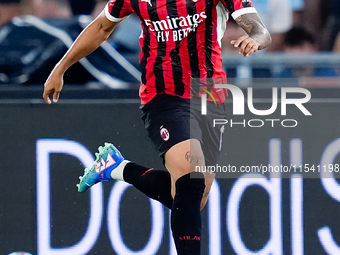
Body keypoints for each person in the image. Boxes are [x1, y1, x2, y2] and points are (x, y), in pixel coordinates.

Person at [43, 0, 271, 254]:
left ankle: (118, 168)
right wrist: (60, 68)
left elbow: (259, 28)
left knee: (192, 197)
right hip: (163, 96)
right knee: (191, 179)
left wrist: (256, 39)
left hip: (209, 97)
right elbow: (101, 28)